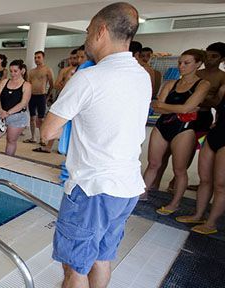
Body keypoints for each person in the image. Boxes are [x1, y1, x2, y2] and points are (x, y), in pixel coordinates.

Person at [41, 3, 150, 287]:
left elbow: (48, 133)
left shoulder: (88, 77)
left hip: (93, 189)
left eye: (89, 31)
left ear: (101, 31)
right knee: (102, 256)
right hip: (126, 187)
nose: (87, 38)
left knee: (75, 269)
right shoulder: (142, 75)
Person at [175, 50, 225, 234]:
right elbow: (219, 108)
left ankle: (211, 224)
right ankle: (197, 215)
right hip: (213, 136)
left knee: (221, 184)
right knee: (205, 180)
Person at [141, 49, 210, 211]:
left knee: (179, 169)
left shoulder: (203, 84)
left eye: (187, 63)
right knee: (153, 163)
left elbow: (185, 108)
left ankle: (175, 202)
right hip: (163, 125)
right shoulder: (171, 83)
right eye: (180, 62)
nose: (181, 66)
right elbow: (156, 107)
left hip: (184, 129)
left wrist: (172, 107)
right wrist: (180, 109)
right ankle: (142, 193)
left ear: (198, 64)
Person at [0, 59, 31, 156]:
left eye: (15, 71)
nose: (13, 74)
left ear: (22, 71)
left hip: (17, 117)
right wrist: (1, 110)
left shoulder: (26, 85)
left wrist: (8, 113)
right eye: (11, 71)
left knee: (11, 140)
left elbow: (23, 103)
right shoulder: (4, 82)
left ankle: (7, 163)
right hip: (1, 115)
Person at [25, 51, 54, 152]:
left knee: (41, 119)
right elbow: (28, 84)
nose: (36, 59)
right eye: (35, 58)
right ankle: (33, 137)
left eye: (38, 57)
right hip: (32, 96)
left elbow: (52, 84)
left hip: (42, 96)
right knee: (32, 118)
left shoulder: (47, 69)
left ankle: (42, 138)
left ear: (43, 58)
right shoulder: (32, 71)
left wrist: (47, 96)